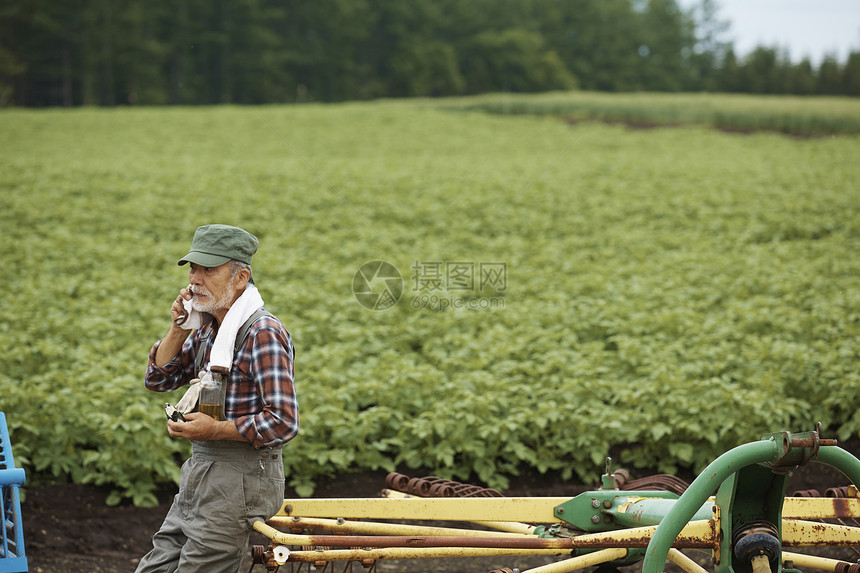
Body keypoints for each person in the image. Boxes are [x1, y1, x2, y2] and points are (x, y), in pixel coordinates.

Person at [136, 224, 298, 573]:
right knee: (155, 566)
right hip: (201, 471)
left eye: (209, 269)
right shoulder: (210, 329)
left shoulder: (262, 333)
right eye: (193, 268)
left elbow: (283, 422)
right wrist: (180, 326)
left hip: (241, 481)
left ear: (240, 278)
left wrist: (214, 430)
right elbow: (158, 378)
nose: (196, 278)